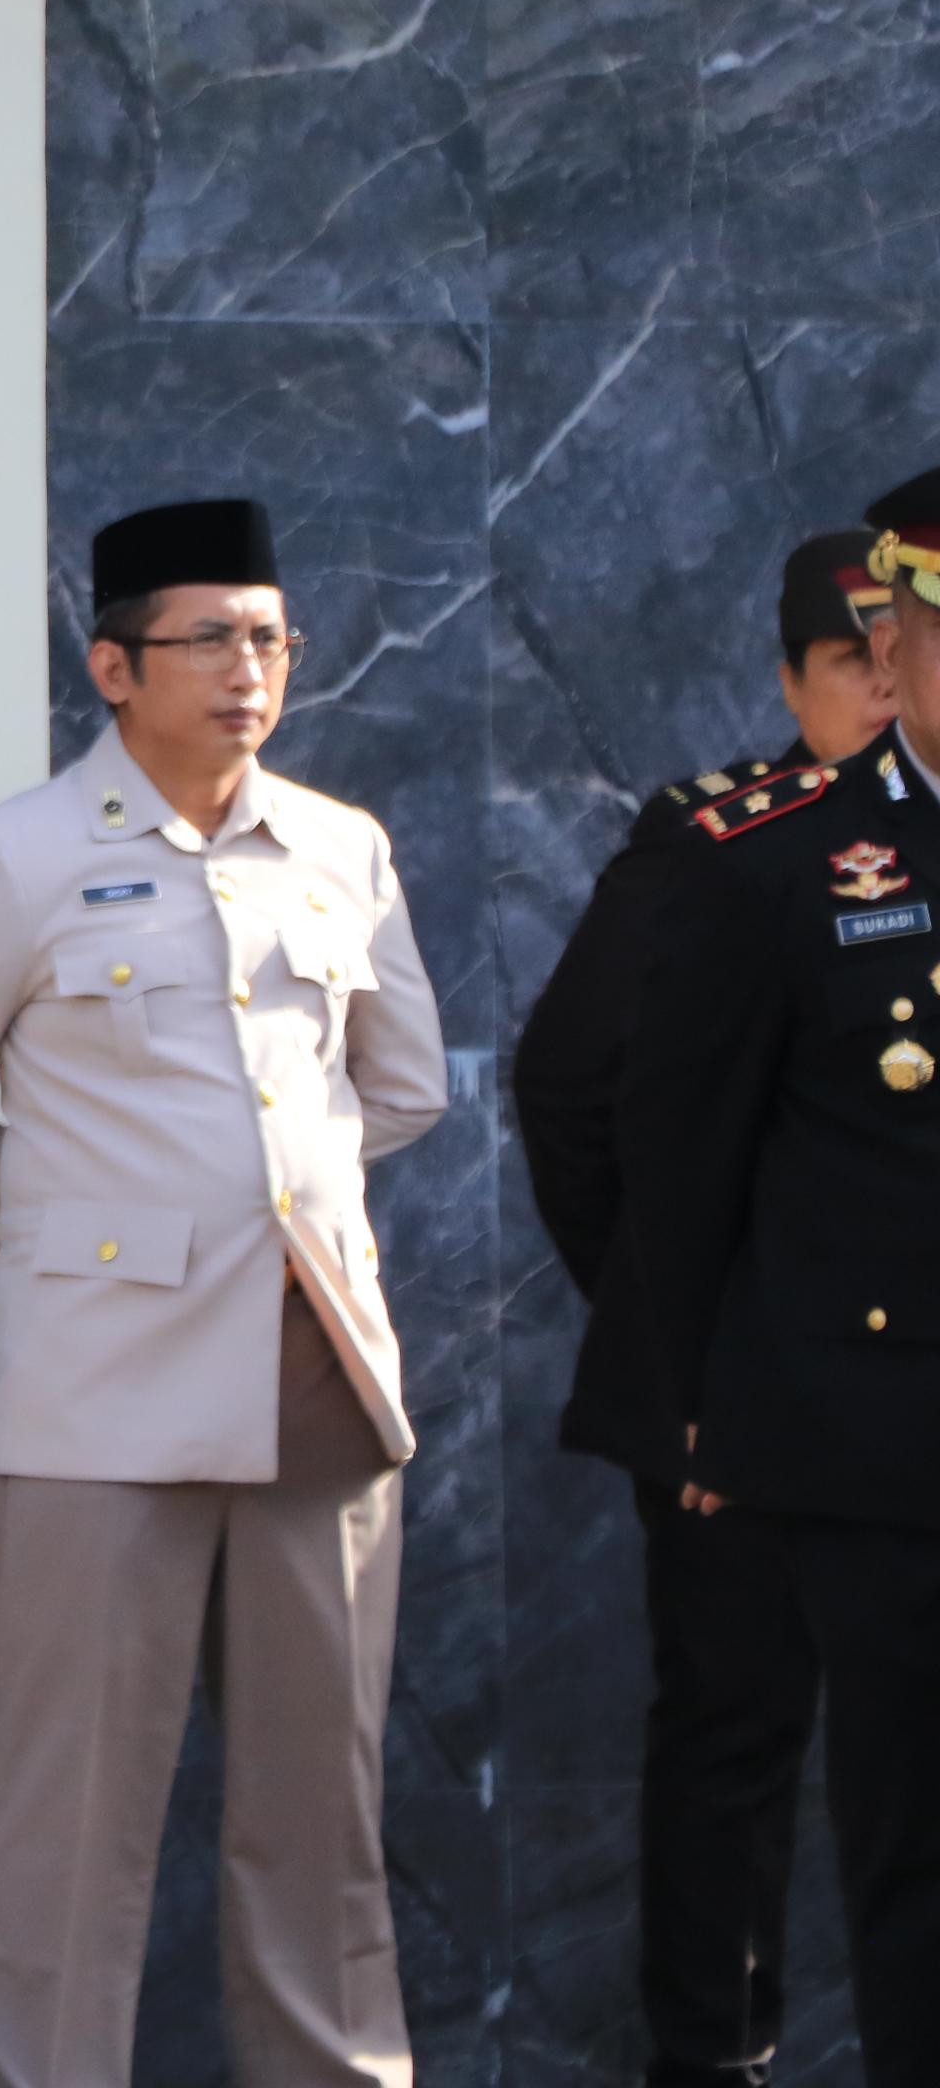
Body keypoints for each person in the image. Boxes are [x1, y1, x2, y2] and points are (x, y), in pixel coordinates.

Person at [0, 496, 448, 2088]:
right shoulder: (16, 857)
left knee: (323, 1832)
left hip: (317, 1383)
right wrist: (89, 1234)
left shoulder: (341, 847)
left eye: (271, 638)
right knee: (71, 1832)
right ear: (114, 666)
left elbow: (403, 1090)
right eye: (210, 639)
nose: (249, 670)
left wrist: (262, 1232)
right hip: (99, 1400)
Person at [512, 531, 895, 2088]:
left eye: (911, 658)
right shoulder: (720, 845)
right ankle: (710, 2062)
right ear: (792, 681)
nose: (892, 693)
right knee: (736, 1744)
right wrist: (695, 1343)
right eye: (856, 666)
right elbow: (572, 1093)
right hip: (747, 1403)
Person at [620, 470, 940, 2088]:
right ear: (897, 642)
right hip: (881, 1457)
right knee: (919, 1872)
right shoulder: (772, 861)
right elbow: (678, 1178)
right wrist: (702, 1423)